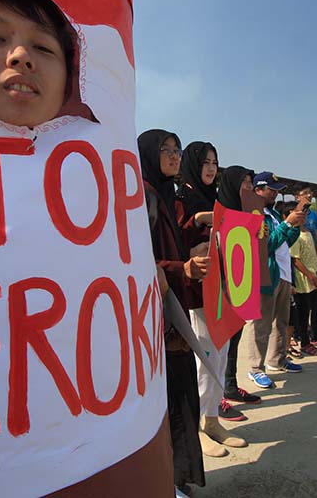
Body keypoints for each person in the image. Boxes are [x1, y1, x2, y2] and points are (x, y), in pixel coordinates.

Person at [138, 129, 207, 494]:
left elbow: (172, 238)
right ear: (149, 154)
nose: (174, 155)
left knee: (183, 396)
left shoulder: (168, 198)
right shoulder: (141, 196)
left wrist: (193, 231)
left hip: (174, 310)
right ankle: (171, 480)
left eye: (177, 149)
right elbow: (136, 259)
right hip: (155, 316)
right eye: (166, 150)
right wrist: (182, 268)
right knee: (170, 400)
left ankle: (180, 477)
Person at [176, 142, 248, 456]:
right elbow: (175, 238)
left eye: (215, 162)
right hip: (199, 292)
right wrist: (201, 220)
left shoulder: (216, 199)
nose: (211, 167)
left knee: (221, 352)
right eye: (205, 161)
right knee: (204, 357)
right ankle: (196, 427)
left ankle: (212, 419)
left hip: (224, 287)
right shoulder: (182, 198)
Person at [243, 172, 305, 389]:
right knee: (260, 324)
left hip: (282, 274)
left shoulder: (272, 213)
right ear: (258, 189)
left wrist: (294, 226)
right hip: (265, 276)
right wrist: (285, 225)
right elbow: (264, 246)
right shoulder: (253, 213)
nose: (276, 193)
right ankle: (255, 368)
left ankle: (277, 359)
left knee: (281, 321)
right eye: (272, 189)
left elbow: (283, 242)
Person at [215, 167, 265, 407]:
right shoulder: (220, 210)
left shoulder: (248, 211)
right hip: (223, 285)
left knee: (235, 338)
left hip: (242, 284)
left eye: (249, 181)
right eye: (243, 181)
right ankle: (219, 393)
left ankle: (230, 386)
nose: (247, 185)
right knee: (221, 341)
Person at [290, 189, 317, 355]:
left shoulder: (308, 232)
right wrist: (310, 275)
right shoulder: (295, 234)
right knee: (304, 312)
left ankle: (316, 336)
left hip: (314, 277)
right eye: (301, 214)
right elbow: (295, 259)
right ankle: (305, 342)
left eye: (306, 214)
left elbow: (314, 252)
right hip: (303, 280)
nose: (304, 216)